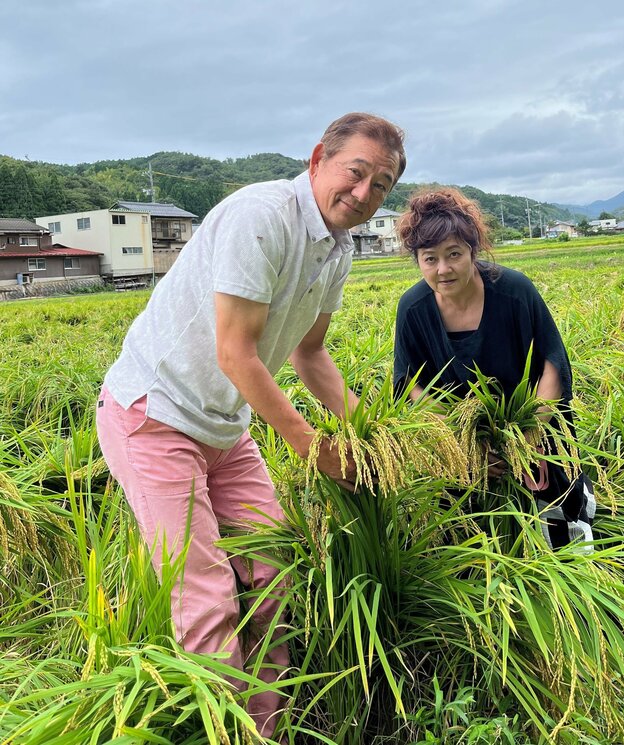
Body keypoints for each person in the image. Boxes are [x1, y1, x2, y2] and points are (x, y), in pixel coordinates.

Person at [96, 112, 406, 738]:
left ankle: (271, 725)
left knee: (273, 573)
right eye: (358, 172)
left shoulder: (338, 248)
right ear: (319, 157)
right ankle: (232, 733)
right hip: (154, 415)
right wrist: (313, 447)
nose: (365, 193)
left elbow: (309, 353)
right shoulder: (260, 216)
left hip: (224, 427)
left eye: (382, 185)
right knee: (206, 596)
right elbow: (235, 353)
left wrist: (368, 437)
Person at [393, 188, 594, 550]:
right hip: (458, 437)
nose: (443, 269)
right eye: (430, 258)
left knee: (559, 521)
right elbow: (412, 386)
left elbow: (551, 364)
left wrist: (525, 437)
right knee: (467, 534)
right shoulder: (413, 309)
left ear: (473, 250)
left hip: (535, 426)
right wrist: (465, 445)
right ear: (418, 261)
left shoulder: (514, 291)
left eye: (454, 254)